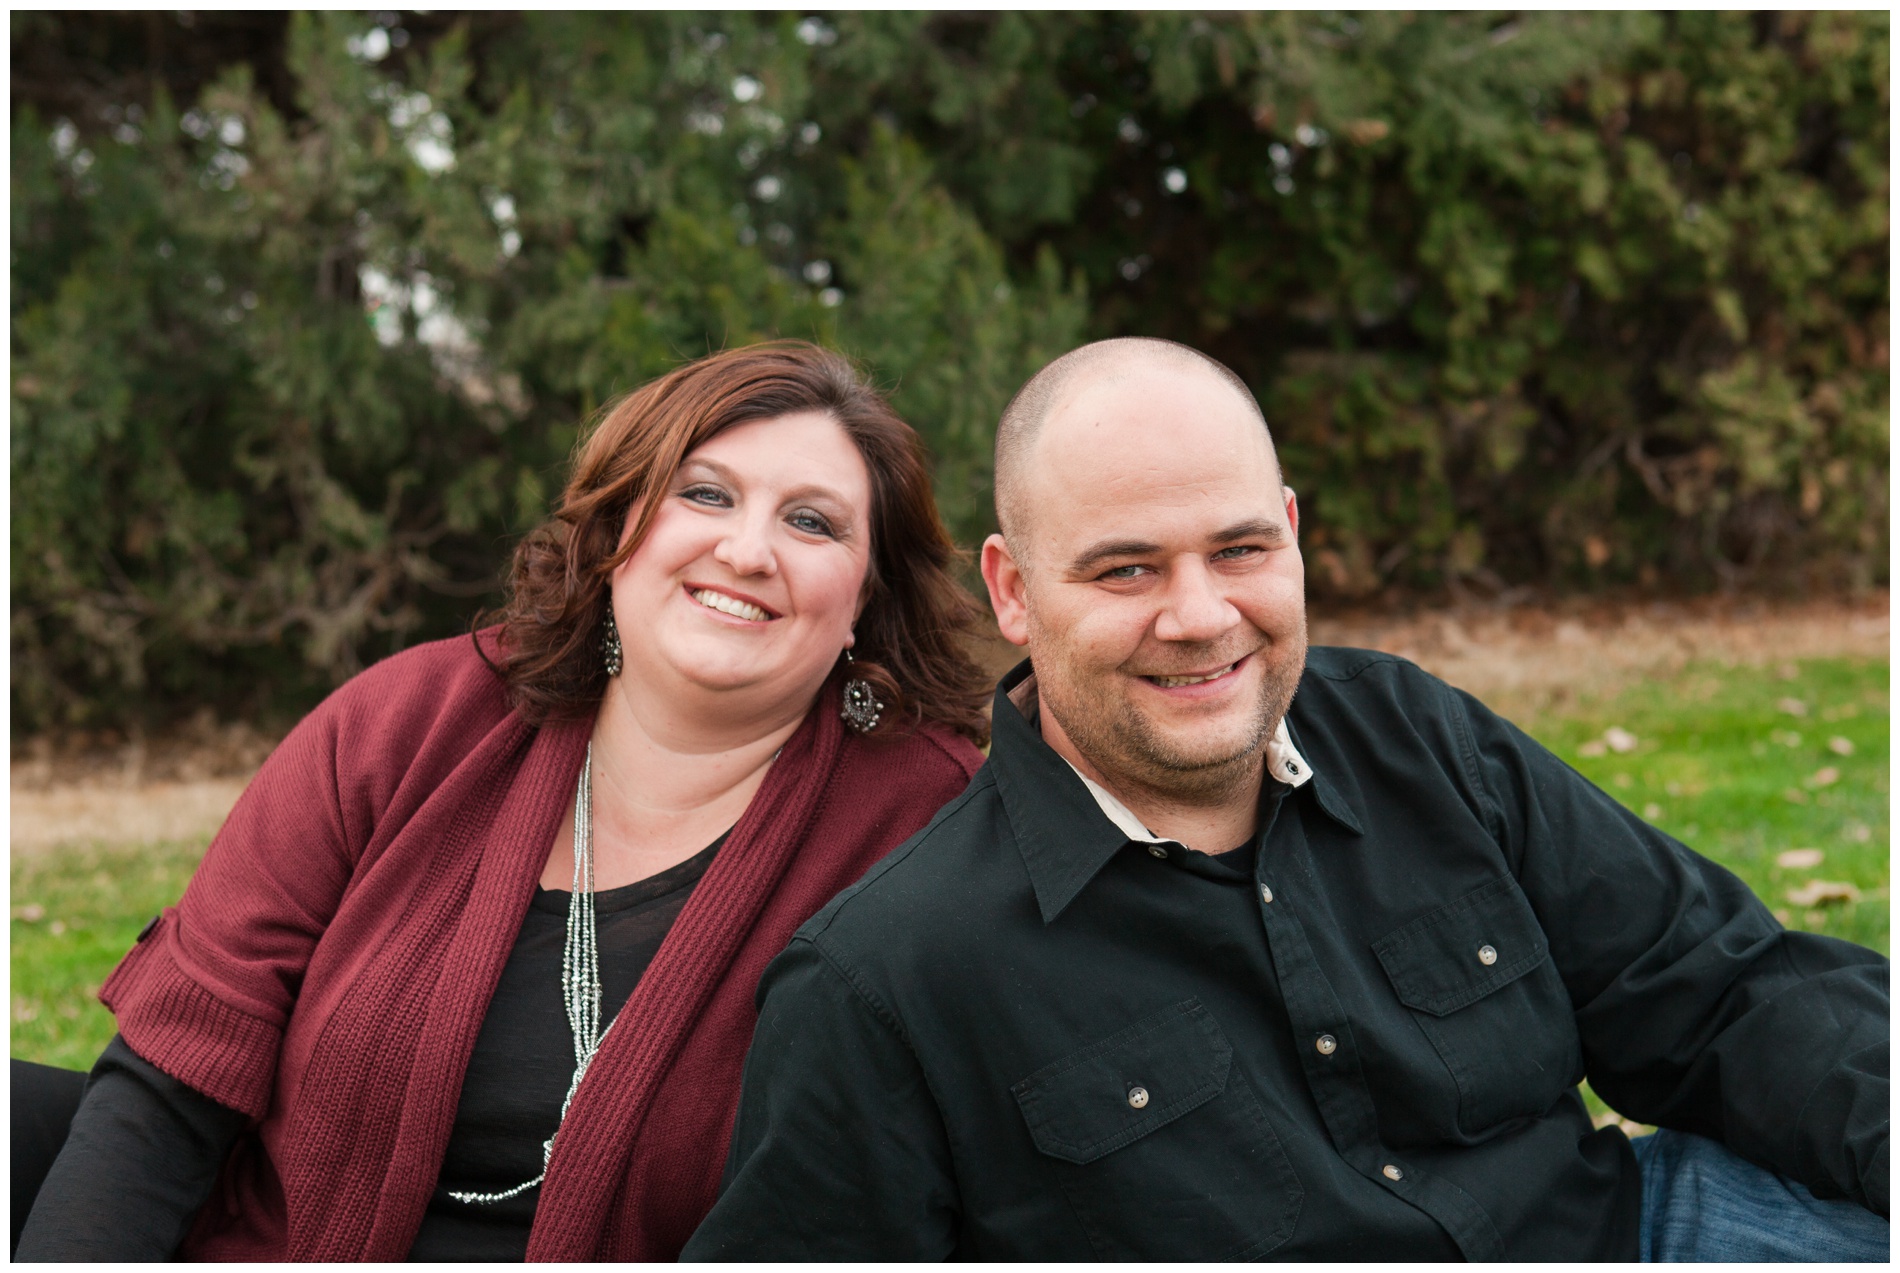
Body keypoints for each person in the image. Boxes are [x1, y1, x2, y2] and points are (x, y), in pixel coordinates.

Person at [683, 338, 1890, 1261]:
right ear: (1011, 590)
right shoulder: (888, 980)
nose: (1201, 614)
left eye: (1240, 550)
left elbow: (1723, 995)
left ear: (1294, 536)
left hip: (1629, 1239)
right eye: (1126, 568)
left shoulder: (1412, 735)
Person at [15, 341, 991, 1261]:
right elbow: (174, 1079)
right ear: (615, 531)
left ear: (865, 592)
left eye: (811, 520)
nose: (746, 550)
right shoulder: (409, 722)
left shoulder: (926, 830)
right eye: (703, 493)